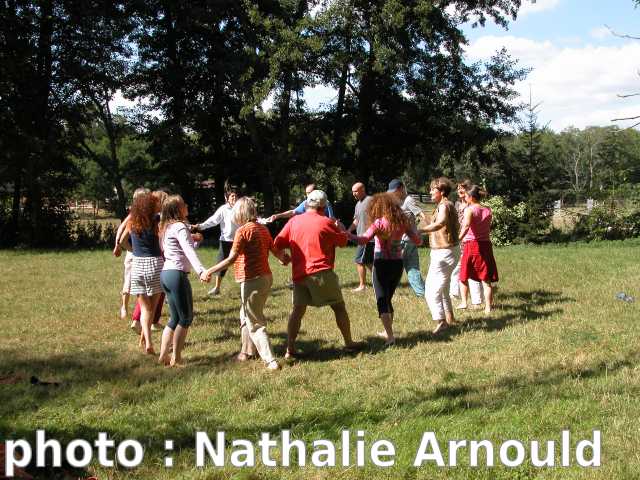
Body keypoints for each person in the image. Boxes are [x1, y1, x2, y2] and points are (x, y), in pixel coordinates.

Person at [273, 190, 363, 358]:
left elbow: (276, 244)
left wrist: (283, 258)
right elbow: (343, 242)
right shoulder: (326, 222)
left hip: (299, 275)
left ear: (307, 204)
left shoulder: (294, 221)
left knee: (297, 311)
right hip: (321, 273)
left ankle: (290, 349)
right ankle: (349, 343)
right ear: (323, 206)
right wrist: (340, 228)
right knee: (339, 307)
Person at [204, 197, 289, 371]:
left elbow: (231, 259)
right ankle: (247, 351)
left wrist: (209, 271)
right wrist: (285, 258)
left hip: (252, 280)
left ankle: (270, 360)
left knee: (255, 322)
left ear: (240, 212)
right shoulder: (262, 229)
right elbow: (276, 252)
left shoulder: (242, 231)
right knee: (245, 314)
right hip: (265, 278)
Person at [348, 193, 422, 346]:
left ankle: (390, 337)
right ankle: (388, 332)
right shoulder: (403, 223)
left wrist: (347, 235)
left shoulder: (378, 223)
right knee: (388, 299)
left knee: (381, 300)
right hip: (397, 264)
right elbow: (417, 241)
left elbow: (363, 240)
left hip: (381, 264)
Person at [157, 195, 209, 366]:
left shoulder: (166, 227)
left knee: (174, 318)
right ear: (177, 210)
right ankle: (176, 358)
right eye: (183, 204)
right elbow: (188, 251)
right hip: (176, 275)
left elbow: (176, 250)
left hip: (166, 274)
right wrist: (201, 270)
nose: (186, 205)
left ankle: (163, 355)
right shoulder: (179, 226)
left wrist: (196, 242)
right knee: (185, 318)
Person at [125, 191, 164, 354]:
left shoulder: (132, 221)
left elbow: (121, 242)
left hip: (137, 266)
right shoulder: (157, 221)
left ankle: (147, 340)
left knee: (144, 308)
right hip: (155, 264)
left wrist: (134, 251)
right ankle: (147, 341)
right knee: (151, 308)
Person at [420, 178, 461, 334]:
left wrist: (420, 231)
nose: (430, 192)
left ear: (442, 191)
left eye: (433, 189)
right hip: (445, 251)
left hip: (444, 252)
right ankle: (450, 318)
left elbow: (441, 223)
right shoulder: (444, 205)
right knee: (442, 288)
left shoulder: (444, 205)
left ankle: (441, 322)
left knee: (431, 290)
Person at [193, 182, 239, 296]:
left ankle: (245, 285)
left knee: (241, 263)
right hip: (225, 241)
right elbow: (213, 221)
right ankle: (217, 288)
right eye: (232, 196)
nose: (234, 198)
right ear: (226, 198)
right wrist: (201, 226)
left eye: (236, 196)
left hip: (239, 241)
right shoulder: (223, 209)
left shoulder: (240, 208)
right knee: (221, 264)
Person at [458, 185, 499, 314]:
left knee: (463, 275)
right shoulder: (488, 210)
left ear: (470, 197)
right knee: (486, 278)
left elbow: (465, 227)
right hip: (486, 245)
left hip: (471, 245)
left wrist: (457, 239)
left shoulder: (469, 210)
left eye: (466, 196)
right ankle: (488, 307)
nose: (464, 197)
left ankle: (464, 302)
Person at [113, 187, 149, 324]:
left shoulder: (151, 215)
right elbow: (122, 229)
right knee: (128, 280)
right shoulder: (133, 215)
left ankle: (144, 309)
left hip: (145, 253)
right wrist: (118, 245)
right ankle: (124, 307)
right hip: (133, 253)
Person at [387, 179, 425, 297]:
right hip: (406, 240)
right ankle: (421, 293)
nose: (393, 193)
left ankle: (387, 291)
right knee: (412, 267)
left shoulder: (408, 200)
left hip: (405, 240)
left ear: (402, 189)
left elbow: (421, 215)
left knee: (394, 265)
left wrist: (426, 230)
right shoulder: (397, 201)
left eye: (396, 191)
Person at [450, 180, 484, 309]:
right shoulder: (457, 204)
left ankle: (476, 300)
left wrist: (459, 238)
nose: (459, 191)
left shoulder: (471, 207)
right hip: (459, 239)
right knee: (456, 267)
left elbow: (468, 226)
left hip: (468, 241)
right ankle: (454, 293)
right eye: (458, 188)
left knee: (472, 271)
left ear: (469, 191)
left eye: (462, 189)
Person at [347, 182, 374, 292]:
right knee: (368, 262)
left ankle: (362, 286)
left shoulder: (371, 201)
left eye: (356, 191)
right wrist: (348, 230)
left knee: (359, 261)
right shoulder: (358, 204)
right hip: (361, 238)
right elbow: (356, 220)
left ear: (363, 189)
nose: (354, 194)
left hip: (367, 238)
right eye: (353, 191)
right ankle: (380, 281)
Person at [266, 183, 335, 222]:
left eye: (309, 193)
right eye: (306, 193)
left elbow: (331, 219)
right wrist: (277, 216)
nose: (308, 196)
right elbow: (293, 212)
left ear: (315, 192)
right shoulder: (305, 203)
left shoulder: (326, 202)